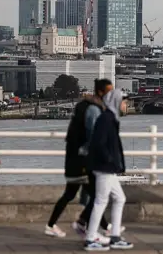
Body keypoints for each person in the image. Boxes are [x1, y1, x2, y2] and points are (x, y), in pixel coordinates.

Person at [45, 79, 120, 239]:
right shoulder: (94, 110)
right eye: (109, 91)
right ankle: (94, 227)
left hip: (76, 158)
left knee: (75, 194)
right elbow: (94, 136)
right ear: (101, 92)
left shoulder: (87, 106)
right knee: (97, 196)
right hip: (83, 160)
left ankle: (55, 225)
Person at [84, 90, 133, 251]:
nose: (127, 105)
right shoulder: (107, 119)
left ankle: (115, 236)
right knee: (100, 201)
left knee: (119, 198)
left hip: (107, 168)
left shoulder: (110, 118)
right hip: (104, 167)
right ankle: (91, 238)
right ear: (116, 102)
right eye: (124, 102)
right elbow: (99, 144)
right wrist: (110, 159)